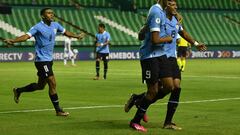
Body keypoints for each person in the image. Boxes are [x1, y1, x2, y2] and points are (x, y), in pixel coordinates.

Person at [125, 0, 206, 132]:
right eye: (172, 4)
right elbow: (148, 36)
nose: (175, 7)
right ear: (166, 5)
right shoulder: (157, 12)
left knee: (174, 87)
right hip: (156, 56)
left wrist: (196, 43)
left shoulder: (172, 17)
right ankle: (138, 110)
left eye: (175, 5)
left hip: (169, 56)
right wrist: (150, 32)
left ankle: (147, 106)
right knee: (157, 89)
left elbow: (182, 32)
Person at [4, 7, 84, 116]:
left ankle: (18, 91)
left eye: (52, 13)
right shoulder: (38, 27)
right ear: (43, 16)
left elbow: (66, 32)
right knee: (52, 82)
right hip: (41, 61)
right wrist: (13, 40)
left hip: (49, 60)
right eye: (49, 13)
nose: (52, 14)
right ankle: (58, 110)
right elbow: (26, 36)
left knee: (40, 86)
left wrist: (76, 36)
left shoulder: (56, 25)